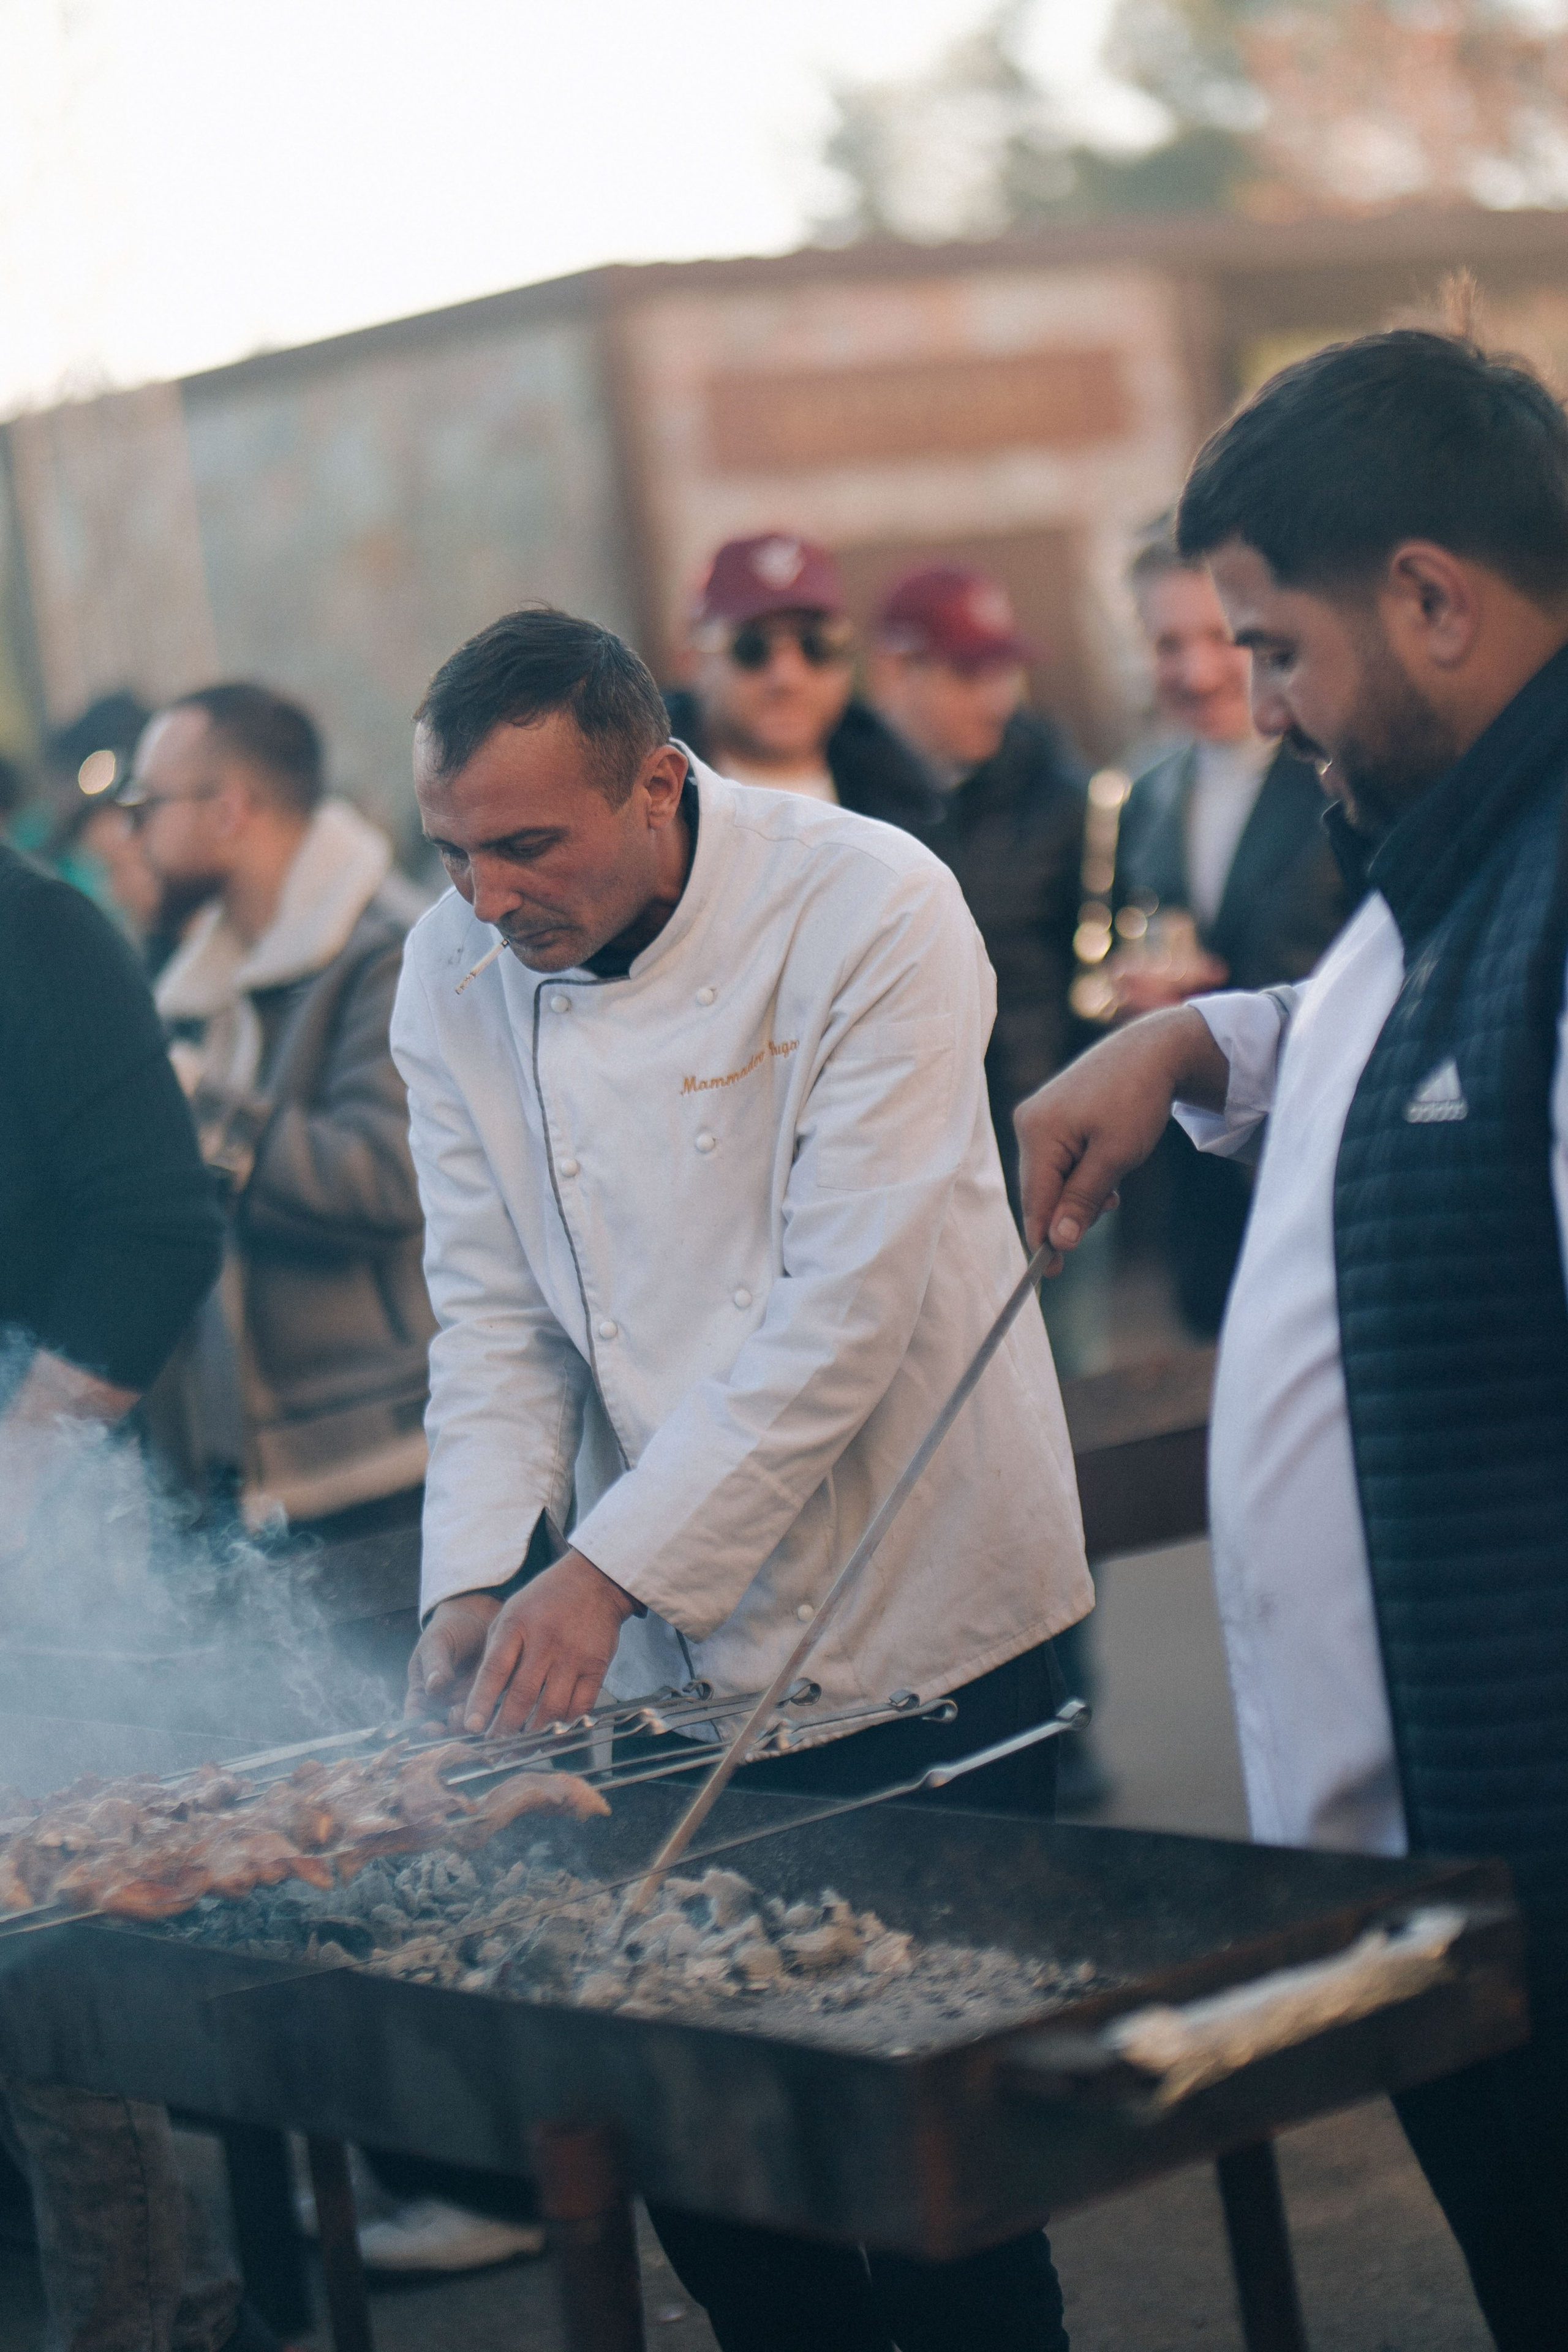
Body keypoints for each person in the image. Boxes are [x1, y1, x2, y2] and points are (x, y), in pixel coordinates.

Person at [392, 606, 1091, 2351]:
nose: (483, 899)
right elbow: (490, 1314)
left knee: (937, 2184)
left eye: (527, 846)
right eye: (452, 850)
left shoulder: (871, 902)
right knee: (714, 2175)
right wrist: (475, 1575)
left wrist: (609, 1568)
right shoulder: (445, 967)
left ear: (655, 785)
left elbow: (838, 1313)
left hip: (918, 1602)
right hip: (656, 1656)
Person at [1015, 328, 1568, 2349]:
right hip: (1452, 1895)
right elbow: (1386, 1053)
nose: (1253, 705)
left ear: (1432, 597)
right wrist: (1199, 1039)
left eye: (1275, 648)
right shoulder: (1451, 864)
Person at [0, 842, 268, 2352]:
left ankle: (164, 2322)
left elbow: (157, 1225)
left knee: (54, 2001)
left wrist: (20, 1463)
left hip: (53, 1538)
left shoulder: (35, 935)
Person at [121, 683, 435, 1543]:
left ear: (228, 811)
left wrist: (185, 1100)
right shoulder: (201, 982)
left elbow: (383, 1179)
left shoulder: (391, 953)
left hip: (394, 1473)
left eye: (145, 805)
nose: (128, 832)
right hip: (259, 1490)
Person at [1108, 529, 1352, 1334]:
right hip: (1206, 1198)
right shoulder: (1143, 797)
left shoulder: (1342, 777)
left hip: (1330, 1161)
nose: (1196, 671)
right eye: (1167, 643)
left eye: (1219, 637)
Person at [867, 562, 1087, 1216]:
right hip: (897, 1166)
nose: (996, 699)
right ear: (893, 673)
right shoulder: (843, 790)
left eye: (1004, 673)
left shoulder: (1056, 793)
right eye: (967, 675)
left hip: (1043, 1143)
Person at [662, 532, 938, 826]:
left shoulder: (920, 807)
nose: (787, 678)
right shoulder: (644, 816)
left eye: (815, 645)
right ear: (691, 660)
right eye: (751, 648)